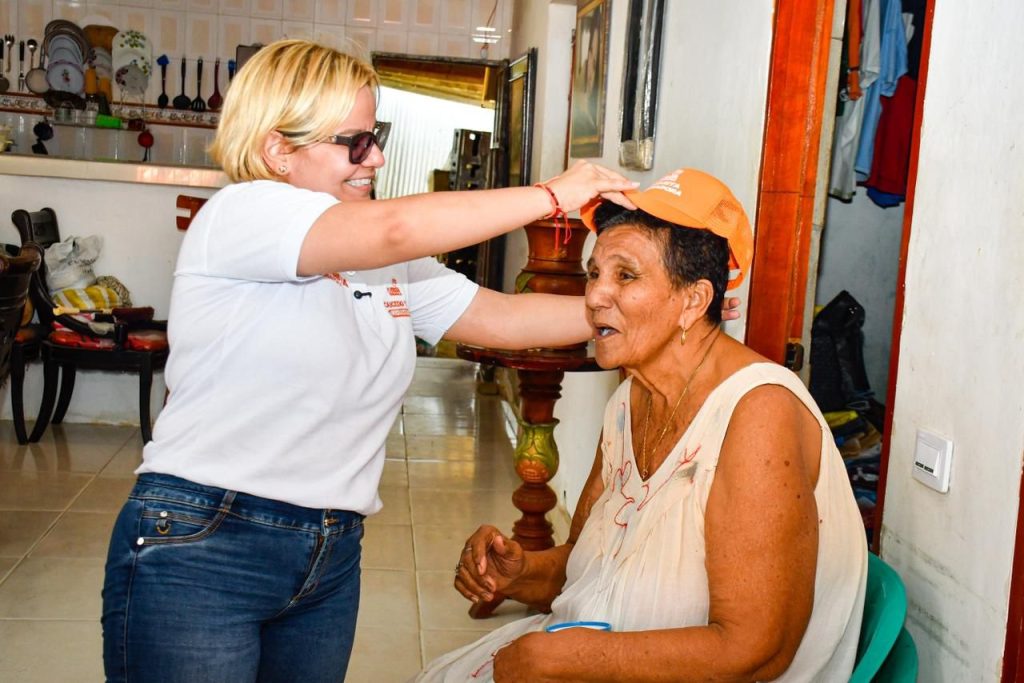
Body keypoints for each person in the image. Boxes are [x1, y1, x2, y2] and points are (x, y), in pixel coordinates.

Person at [99, 39, 645, 683]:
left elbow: (503, 318)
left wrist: (644, 307)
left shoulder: (381, 260)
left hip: (329, 551)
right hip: (205, 541)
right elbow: (394, 228)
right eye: (355, 142)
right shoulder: (242, 214)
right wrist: (551, 195)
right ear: (278, 150)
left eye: (375, 136)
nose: (376, 157)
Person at [417, 168, 868, 682]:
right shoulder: (632, 396)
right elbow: (584, 569)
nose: (594, 297)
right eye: (594, 274)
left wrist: (571, 659)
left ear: (694, 300)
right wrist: (520, 573)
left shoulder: (757, 412)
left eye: (625, 276)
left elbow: (756, 652)